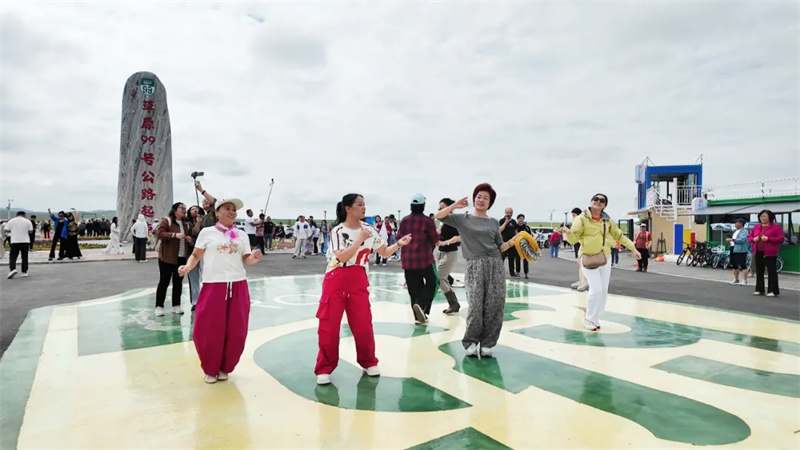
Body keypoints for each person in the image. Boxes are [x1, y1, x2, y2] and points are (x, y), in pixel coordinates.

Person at [315, 193, 411, 385]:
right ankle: (324, 368)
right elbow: (342, 257)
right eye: (360, 204)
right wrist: (359, 239)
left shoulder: (369, 230)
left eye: (364, 204)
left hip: (359, 278)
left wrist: (398, 244)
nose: (364, 207)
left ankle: (368, 362)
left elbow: (384, 251)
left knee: (363, 324)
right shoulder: (338, 231)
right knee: (329, 327)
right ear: (348, 208)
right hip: (336, 278)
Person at [178, 198, 262, 384]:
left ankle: (226, 367)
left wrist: (254, 258)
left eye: (234, 209)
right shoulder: (207, 233)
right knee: (209, 329)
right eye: (227, 208)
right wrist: (188, 267)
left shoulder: (241, 235)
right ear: (216, 212)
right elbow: (196, 255)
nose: (231, 212)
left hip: (238, 285)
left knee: (237, 331)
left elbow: (247, 259)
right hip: (214, 285)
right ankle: (210, 368)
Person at [435, 183, 518, 358]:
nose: (481, 200)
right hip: (474, 265)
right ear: (474, 199)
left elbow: (500, 246)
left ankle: (488, 343)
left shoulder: (493, 222)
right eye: (478, 196)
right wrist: (455, 205)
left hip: (495, 265)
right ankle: (471, 341)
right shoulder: (463, 219)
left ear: (490, 203)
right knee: (475, 304)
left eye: (485, 198)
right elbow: (439, 216)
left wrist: (512, 242)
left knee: (495, 304)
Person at [560, 194, 640, 331]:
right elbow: (573, 239)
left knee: (603, 292)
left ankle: (594, 318)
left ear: (604, 205)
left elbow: (619, 235)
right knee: (596, 289)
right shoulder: (581, 219)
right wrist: (567, 232)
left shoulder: (607, 221)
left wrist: (633, 248)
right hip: (588, 258)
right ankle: (589, 318)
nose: (598, 202)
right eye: (596, 199)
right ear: (591, 202)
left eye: (602, 201)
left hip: (604, 258)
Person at [399, 194, 440, 324]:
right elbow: (435, 239)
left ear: (411, 206)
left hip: (407, 260)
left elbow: (399, 238)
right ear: (423, 206)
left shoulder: (404, 220)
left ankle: (418, 317)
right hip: (424, 259)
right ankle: (421, 305)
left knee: (414, 289)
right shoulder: (427, 221)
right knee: (433, 282)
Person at [155, 202, 192, 316]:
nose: (184, 210)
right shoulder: (167, 221)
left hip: (182, 258)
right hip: (167, 257)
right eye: (181, 208)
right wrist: (174, 235)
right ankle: (159, 306)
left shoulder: (187, 224)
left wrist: (190, 240)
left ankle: (176, 305)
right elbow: (159, 234)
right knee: (164, 282)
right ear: (175, 210)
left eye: (185, 208)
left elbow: (190, 238)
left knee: (178, 282)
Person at [748, 209, 785, 297]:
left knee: (771, 271)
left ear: (770, 217)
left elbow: (781, 239)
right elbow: (749, 237)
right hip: (758, 251)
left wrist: (768, 239)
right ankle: (759, 289)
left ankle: (773, 290)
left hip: (770, 252)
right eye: (761, 216)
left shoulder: (776, 227)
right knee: (759, 271)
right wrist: (753, 239)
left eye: (765, 216)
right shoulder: (757, 227)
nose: (763, 218)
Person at [437, 198, 462, 315]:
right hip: (441, 252)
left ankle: (453, 303)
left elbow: (459, 236)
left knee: (439, 277)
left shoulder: (454, 221)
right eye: (439, 208)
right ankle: (454, 304)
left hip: (450, 253)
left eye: (443, 208)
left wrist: (445, 243)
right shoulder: (442, 221)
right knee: (443, 278)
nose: (440, 210)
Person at [187, 205, 206, 310]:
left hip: (205, 252)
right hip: (192, 252)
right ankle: (195, 301)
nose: (194, 210)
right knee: (193, 277)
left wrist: (200, 222)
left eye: (196, 209)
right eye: (192, 209)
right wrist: (198, 223)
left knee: (206, 276)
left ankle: (206, 299)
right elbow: (194, 232)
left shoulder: (206, 221)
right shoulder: (187, 223)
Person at [6, 211, 33, 279]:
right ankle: (24, 272)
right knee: (24, 257)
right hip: (25, 241)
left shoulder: (11, 221)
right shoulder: (28, 221)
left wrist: (14, 231)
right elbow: (31, 231)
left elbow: (6, 229)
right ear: (24, 215)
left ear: (16, 215)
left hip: (14, 241)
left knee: (13, 256)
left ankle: (13, 269)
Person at [569, 207, 588, 291]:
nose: (573, 217)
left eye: (574, 215)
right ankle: (581, 280)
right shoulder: (576, 222)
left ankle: (584, 281)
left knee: (582, 263)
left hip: (581, 244)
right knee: (579, 263)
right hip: (576, 244)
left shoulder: (581, 222)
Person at [726, 218, 749, 286]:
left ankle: (744, 280)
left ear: (741, 223)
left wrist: (732, 239)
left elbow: (741, 240)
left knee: (743, 265)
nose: (735, 224)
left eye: (736, 222)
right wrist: (730, 240)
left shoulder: (744, 231)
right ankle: (736, 279)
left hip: (741, 250)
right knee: (734, 265)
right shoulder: (735, 231)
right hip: (733, 248)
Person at [499, 207, 519, 277]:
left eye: (510, 213)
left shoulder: (513, 221)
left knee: (511, 259)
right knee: (501, 259)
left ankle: (512, 273)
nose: (509, 214)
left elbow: (515, 231)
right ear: (505, 213)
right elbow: (500, 230)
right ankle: (499, 272)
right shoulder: (501, 221)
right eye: (507, 212)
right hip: (503, 243)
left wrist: (517, 237)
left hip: (512, 243)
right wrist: (506, 222)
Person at [515, 214, 532, 279]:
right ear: (517, 219)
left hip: (525, 245)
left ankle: (526, 273)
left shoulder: (526, 227)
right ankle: (517, 272)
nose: (520, 220)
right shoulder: (515, 227)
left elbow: (530, 236)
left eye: (522, 218)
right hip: (517, 245)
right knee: (517, 259)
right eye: (519, 218)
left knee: (525, 259)